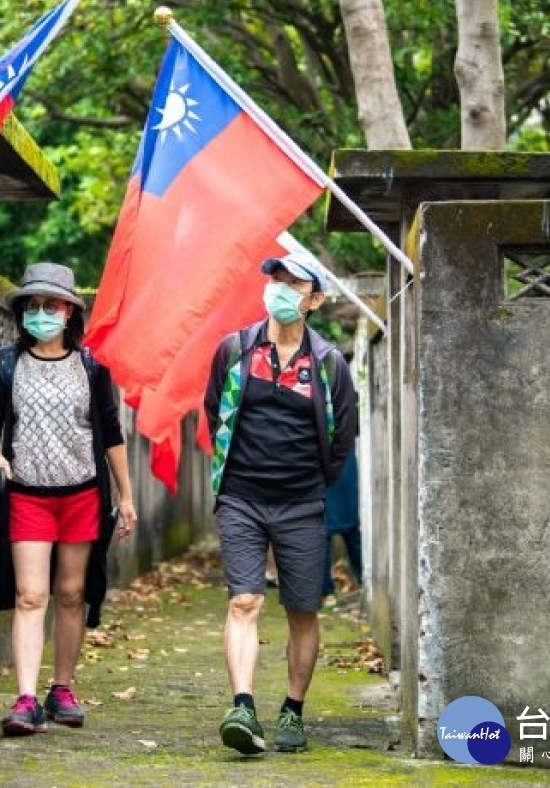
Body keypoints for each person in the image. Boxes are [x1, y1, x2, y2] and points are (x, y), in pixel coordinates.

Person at [203, 250, 357, 755]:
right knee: (244, 599)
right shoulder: (235, 350)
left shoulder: (329, 364)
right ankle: (242, 706)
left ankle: (292, 710)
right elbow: (215, 413)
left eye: (295, 285)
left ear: (315, 300)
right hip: (241, 497)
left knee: (302, 609)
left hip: (300, 502)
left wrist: (308, 484)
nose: (282, 291)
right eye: (277, 280)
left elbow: (341, 443)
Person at [0, 262, 138, 737]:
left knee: (71, 595)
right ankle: (25, 700)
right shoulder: (9, 362)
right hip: (27, 495)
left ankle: (61, 688)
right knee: (32, 595)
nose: (40, 314)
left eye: (50, 305)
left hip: (82, 496)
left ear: (69, 311)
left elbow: (111, 434)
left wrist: (126, 496)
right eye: (32, 306)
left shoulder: (91, 367)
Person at [322, 449, 362, 598]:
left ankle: (325, 590)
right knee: (351, 531)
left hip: (328, 468)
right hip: (342, 466)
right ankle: (364, 579)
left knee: (323, 532)